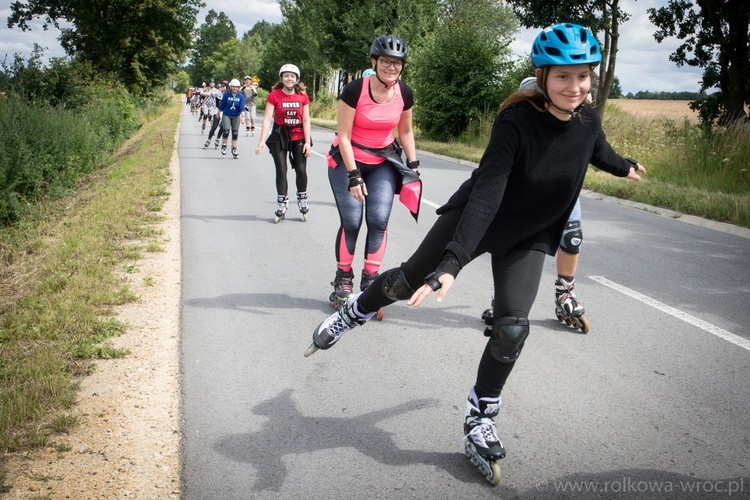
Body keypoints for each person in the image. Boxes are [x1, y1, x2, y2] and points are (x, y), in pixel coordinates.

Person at [303, 23, 645, 485]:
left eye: (583, 76)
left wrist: (623, 166)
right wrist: (452, 263)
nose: (575, 86)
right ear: (542, 76)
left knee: (512, 327)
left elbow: (594, 150)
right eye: (563, 76)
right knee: (406, 281)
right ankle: (354, 311)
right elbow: (487, 193)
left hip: (529, 233)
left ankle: (479, 416)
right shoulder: (516, 122)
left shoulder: (587, 118)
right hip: (478, 217)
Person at [325, 35, 421, 308]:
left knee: (378, 219)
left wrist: (413, 167)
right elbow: (343, 136)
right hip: (348, 159)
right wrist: (354, 175)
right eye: (386, 61)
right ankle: (343, 279)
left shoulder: (405, 92)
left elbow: (405, 131)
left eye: (398, 63)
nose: (392, 67)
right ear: (374, 61)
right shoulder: (355, 89)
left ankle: (371, 280)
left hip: (383, 162)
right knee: (352, 221)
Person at [255, 64, 312, 223]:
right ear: (281, 78)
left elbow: (306, 120)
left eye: (292, 76)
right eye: (286, 76)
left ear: (296, 79)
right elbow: (267, 119)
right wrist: (261, 141)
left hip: (299, 134)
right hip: (280, 134)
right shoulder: (274, 95)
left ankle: (302, 198)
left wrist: (307, 142)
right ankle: (282, 202)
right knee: (281, 169)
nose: (289, 79)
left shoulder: (303, 96)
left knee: (301, 169)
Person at [218, 79, 245, 158]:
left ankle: (234, 149)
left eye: (236, 87)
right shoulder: (226, 95)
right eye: (233, 87)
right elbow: (222, 105)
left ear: (238, 87)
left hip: (236, 116)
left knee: (235, 133)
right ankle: (224, 146)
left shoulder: (240, 96)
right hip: (227, 115)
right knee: (226, 131)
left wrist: (243, 117)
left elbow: (241, 107)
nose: (235, 88)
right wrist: (218, 112)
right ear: (230, 87)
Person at [201, 79, 223, 147]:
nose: (211, 84)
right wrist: (203, 97)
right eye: (210, 82)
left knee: (211, 117)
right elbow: (201, 94)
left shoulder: (217, 91)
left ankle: (217, 137)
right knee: (205, 114)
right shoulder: (207, 89)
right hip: (206, 104)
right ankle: (204, 125)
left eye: (213, 83)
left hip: (213, 105)